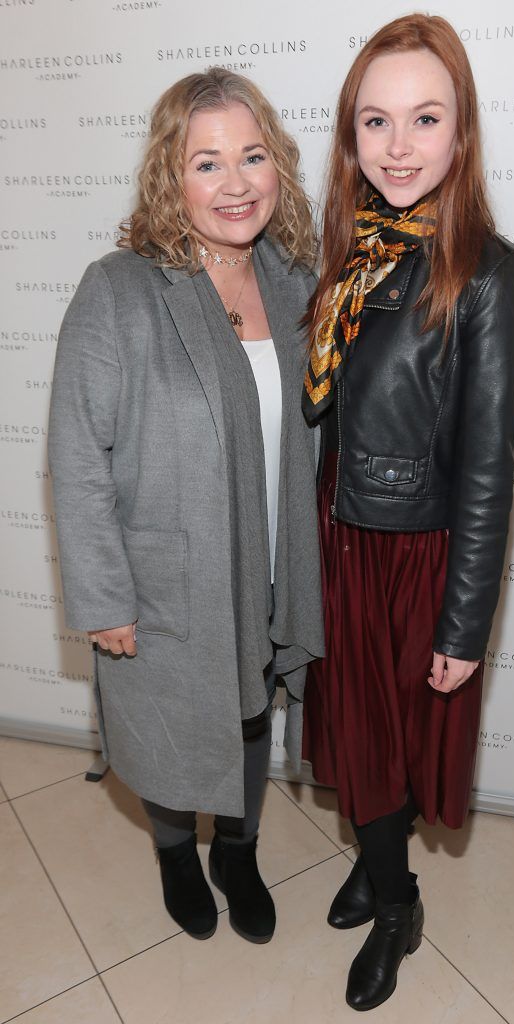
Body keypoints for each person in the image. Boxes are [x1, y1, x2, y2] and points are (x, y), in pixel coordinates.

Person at [48, 68, 324, 947]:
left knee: (249, 711)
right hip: (167, 573)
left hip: (273, 556)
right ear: (172, 177)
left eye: (252, 156)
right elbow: (75, 456)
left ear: (277, 166)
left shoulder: (298, 285)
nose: (235, 183)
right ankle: (176, 852)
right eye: (207, 163)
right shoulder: (120, 288)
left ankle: (236, 853)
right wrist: (103, 598)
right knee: (173, 720)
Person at [302, 14, 514, 1011]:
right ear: (351, 138)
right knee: (353, 733)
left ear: (460, 133)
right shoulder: (348, 257)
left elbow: (488, 467)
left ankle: (396, 903)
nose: (398, 147)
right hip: (338, 538)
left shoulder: (489, 274)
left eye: (423, 119)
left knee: (392, 738)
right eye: (375, 121)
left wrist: (463, 622)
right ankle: (376, 858)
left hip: (418, 555)